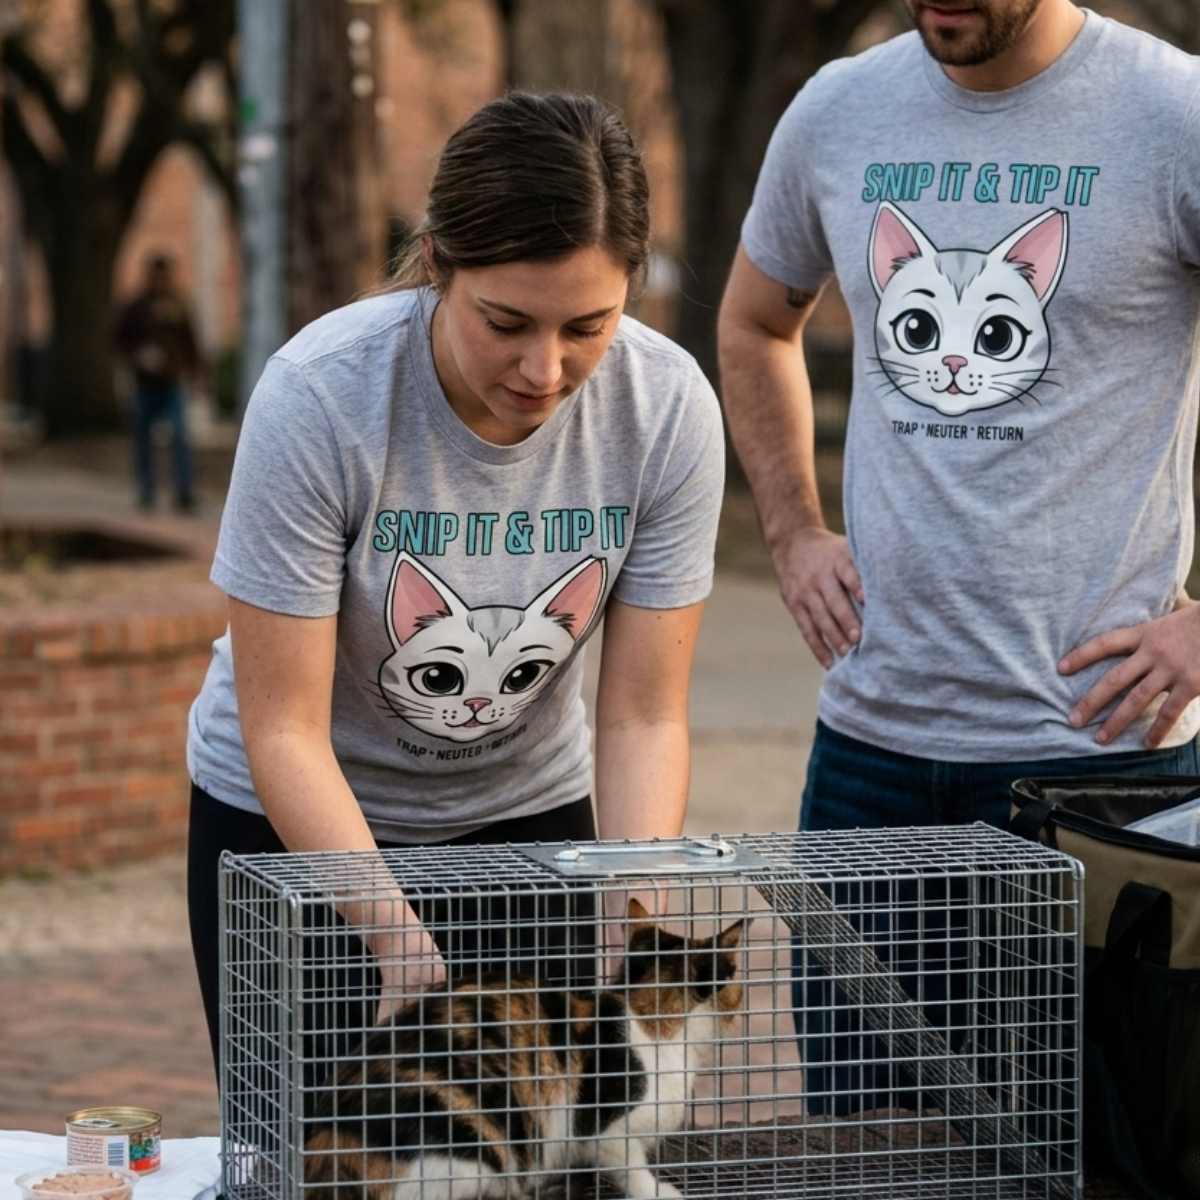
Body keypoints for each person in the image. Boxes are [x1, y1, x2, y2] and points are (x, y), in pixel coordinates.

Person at [717, 0, 1200, 1113]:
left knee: (1090, 1157)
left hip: (1098, 765)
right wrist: (790, 532)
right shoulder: (840, 109)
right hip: (870, 758)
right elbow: (754, 322)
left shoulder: (1170, 112)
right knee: (865, 1153)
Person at [186, 92, 724, 1082]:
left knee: (540, 1154)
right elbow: (284, 730)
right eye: (506, 322)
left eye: (589, 326)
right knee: (325, 1160)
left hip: (526, 818)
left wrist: (630, 905)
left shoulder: (669, 408)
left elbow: (645, 715)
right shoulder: (321, 397)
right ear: (437, 262)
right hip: (300, 820)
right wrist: (392, 936)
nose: (545, 369)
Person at [115, 253, 201, 512]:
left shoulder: (178, 306)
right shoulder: (136, 308)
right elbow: (119, 341)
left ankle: (184, 490)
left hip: (172, 381)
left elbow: (191, 342)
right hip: (145, 383)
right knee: (143, 437)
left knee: (179, 434)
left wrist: (195, 372)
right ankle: (147, 489)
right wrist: (137, 359)